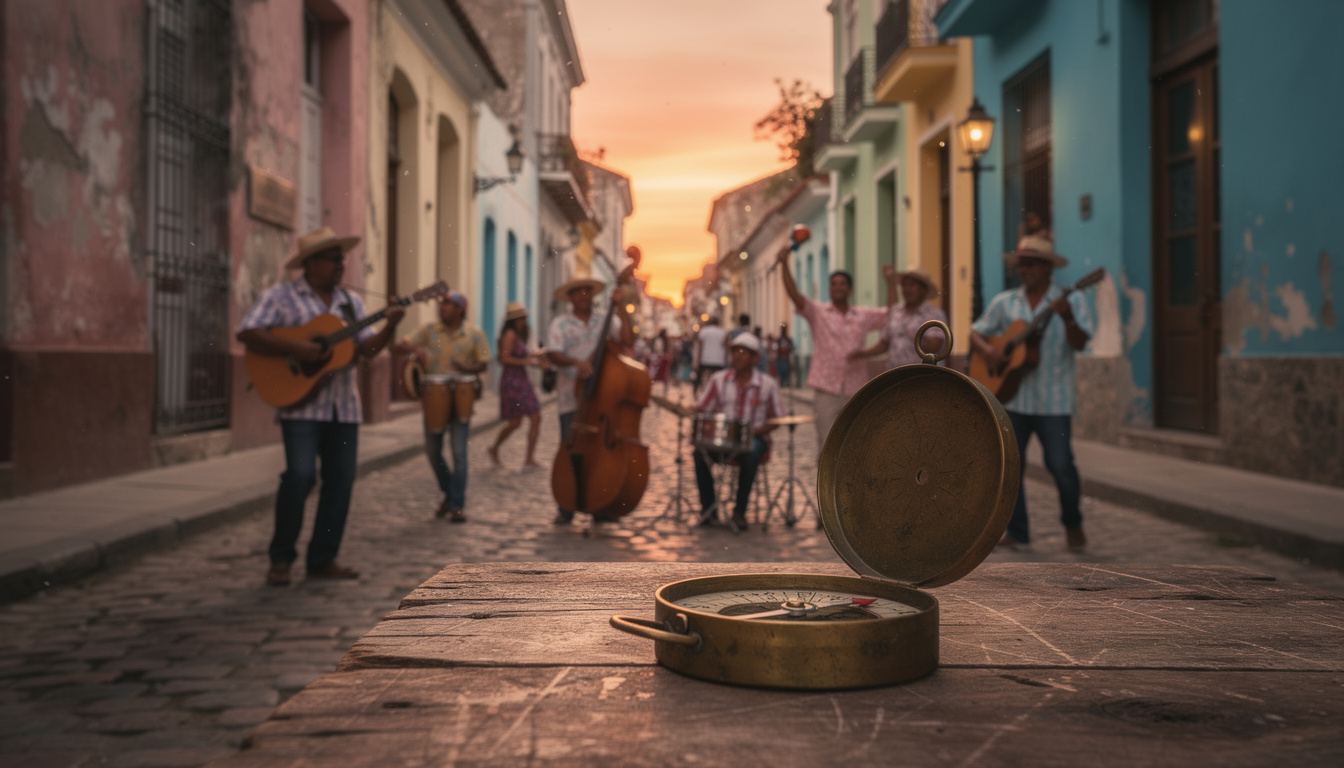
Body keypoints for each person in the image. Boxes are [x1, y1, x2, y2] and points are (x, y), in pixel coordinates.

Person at [237, 226, 405, 586]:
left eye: (342, 259)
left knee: (340, 483)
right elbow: (249, 332)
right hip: (300, 407)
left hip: (344, 408)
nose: (341, 265)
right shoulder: (281, 297)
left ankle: (322, 558)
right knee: (299, 477)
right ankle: (280, 559)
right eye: (333, 259)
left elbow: (365, 351)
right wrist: (296, 349)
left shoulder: (350, 304)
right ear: (311, 264)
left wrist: (389, 328)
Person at [970, 235, 1094, 552]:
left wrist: (1066, 316)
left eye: (1030, 263)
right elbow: (975, 332)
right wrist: (991, 351)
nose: (1024, 269)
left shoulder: (1073, 300)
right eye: (1021, 264)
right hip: (1013, 400)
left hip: (1055, 401)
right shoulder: (1005, 302)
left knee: (1061, 465)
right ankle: (1018, 529)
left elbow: (1080, 343)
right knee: (1011, 469)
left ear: (1047, 268)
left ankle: (1073, 522)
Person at [545, 266, 636, 525]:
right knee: (570, 451)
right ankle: (567, 506)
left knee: (600, 456)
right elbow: (553, 353)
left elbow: (628, 341)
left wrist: (621, 308)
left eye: (587, 290)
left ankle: (601, 503)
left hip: (603, 401)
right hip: (570, 399)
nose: (583, 295)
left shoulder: (604, 319)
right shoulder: (560, 323)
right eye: (578, 292)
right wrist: (576, 362)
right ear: (571, 297)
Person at [776, 246, 886, 453]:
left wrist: (890, 283)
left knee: (855, 446)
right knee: (827, 447)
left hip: (855, 389)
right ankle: (825, 485)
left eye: (842, 284)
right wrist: (784, 265)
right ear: (829, 289)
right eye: (833, 284)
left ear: (850, 289)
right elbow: (795, 296)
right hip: (825, 389)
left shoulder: (862, 316)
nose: (837, 287)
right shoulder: (818, 313)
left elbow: (890, 316)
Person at [394, 291, 490, 523]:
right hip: (434, 396)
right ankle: (450, 492)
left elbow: (484, 363)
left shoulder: (474, 334)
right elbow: (400, 346)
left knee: (459, 454)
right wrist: (414, 350)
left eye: (448, 304)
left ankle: (457, 504)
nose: (442, 307)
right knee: (432, 451)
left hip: (461, 396)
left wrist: (467, 369)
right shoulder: (428, 331)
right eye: (442, 304)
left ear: (460, 309)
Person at [691, 333, 785, 531]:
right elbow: (703, 408)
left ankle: (739, 512)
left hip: (755, 439)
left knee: (750, 454)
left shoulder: (768, 384)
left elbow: (778, 418)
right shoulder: (718, 380)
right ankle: (709, 510)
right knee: (699, 454)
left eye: (744, 352)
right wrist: (690, 411)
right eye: (735, 351)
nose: (738, 356)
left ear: (755, 358)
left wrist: (755, 431)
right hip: (723, 439)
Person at [850, 265, 948, 370]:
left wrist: (912, 330)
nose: (907, 289)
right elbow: (885, 342)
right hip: (895, 375)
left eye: (912, 285)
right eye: (904, 285)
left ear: (923, 290)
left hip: (922, 376)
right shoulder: (896, 312)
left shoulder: (933, 314)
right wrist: (862, 353)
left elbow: (934, 346)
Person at [488, 302, 548, 471]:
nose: (523, 320)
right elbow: (504, 359)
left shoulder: (517, 335)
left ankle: (528, 459)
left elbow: (523, 356)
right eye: (521, 317)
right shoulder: (509, 334)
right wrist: (528, 361)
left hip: (521, 380)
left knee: (534, 418)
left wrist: (537, 360)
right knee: (515, 422)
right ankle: (495, 449)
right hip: (513, 382)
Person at [694, 316, 727, 391]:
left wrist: (697, 360)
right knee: (718, 380)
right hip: (719, 361)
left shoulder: (703, 331)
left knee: (704, 379)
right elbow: (725, 347)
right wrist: (726, 360)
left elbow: (700, 347)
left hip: (705, 360)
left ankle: (701, 392)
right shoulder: (722, 332)